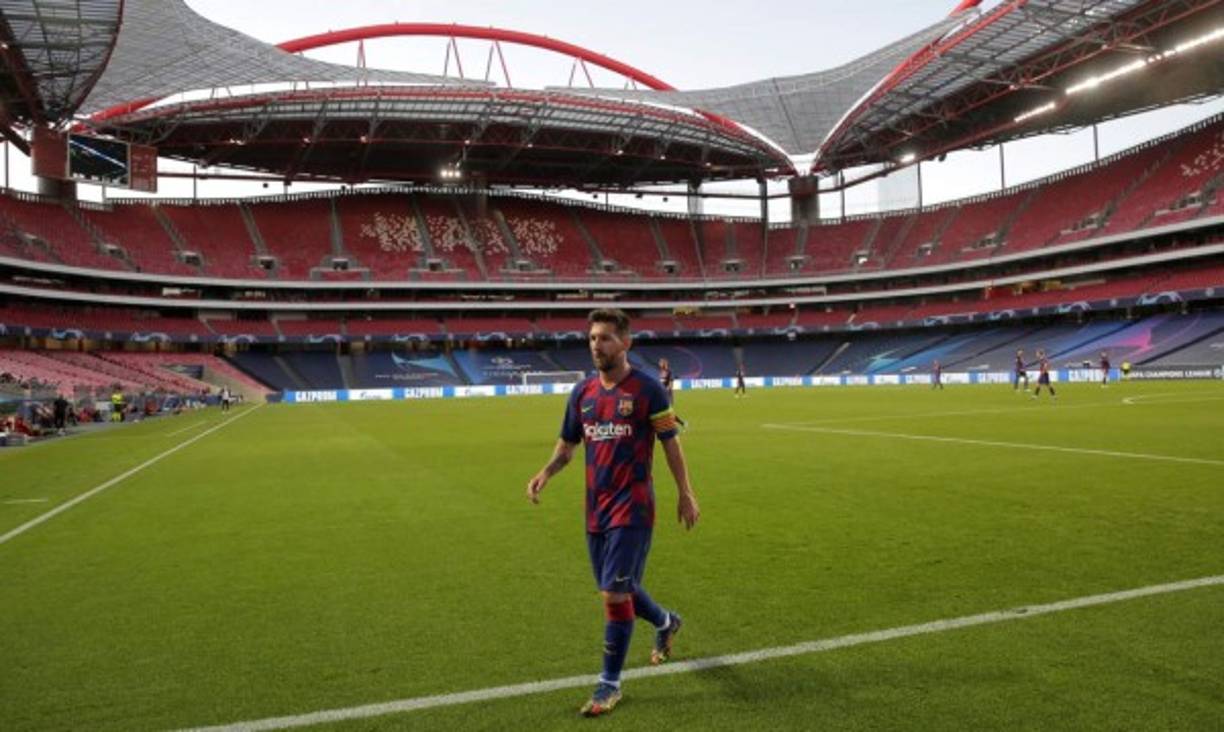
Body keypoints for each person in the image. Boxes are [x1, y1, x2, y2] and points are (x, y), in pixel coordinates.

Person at [527, 308, 700, 718]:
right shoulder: (582, 394)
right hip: (595, 510)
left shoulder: (647, 390)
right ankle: (665, 622)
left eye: (605, 338)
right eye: (591, 338)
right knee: (619, 587)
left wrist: (685, 493)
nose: (596, 345)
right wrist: (545, 473)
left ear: (626, 343)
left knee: (613, 594)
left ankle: (609, 683)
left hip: (633, 507)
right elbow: (568, 445)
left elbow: (670, 444)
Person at [656, 358, 687, 430]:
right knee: (665, 412)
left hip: (668, 395)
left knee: (668, 412)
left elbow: (670, 385)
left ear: (664, 364)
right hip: (662, 394)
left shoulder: (669, 372)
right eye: (659, 362)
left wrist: (665, 391)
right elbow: (661, 383)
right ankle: (681, 424)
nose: (659, 364)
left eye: (661, 362)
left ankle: (676, 425)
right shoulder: (660, 372)